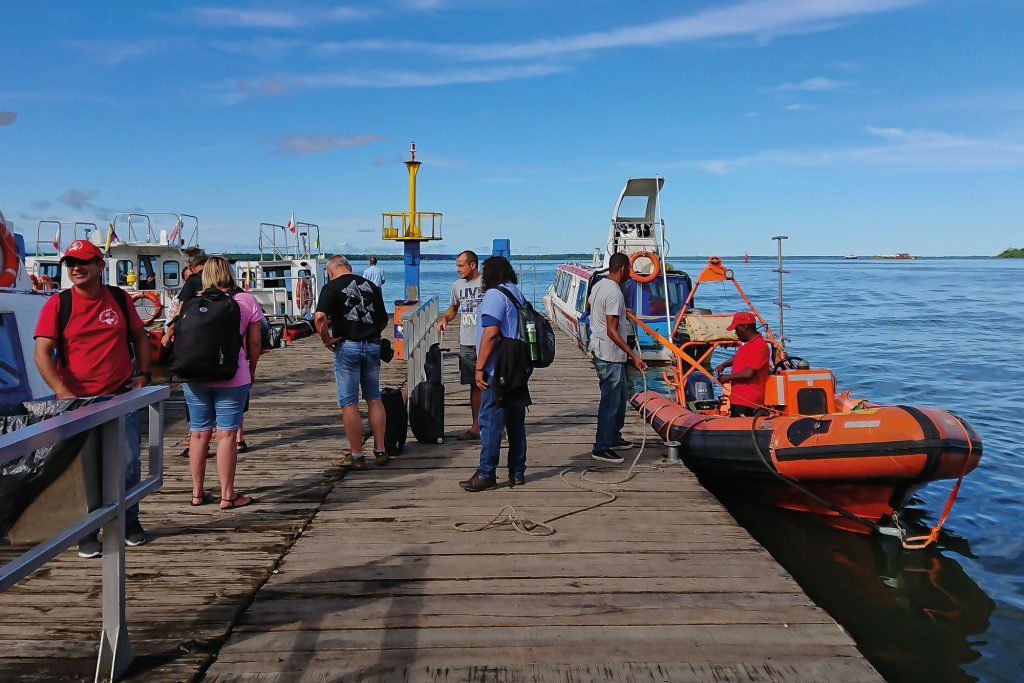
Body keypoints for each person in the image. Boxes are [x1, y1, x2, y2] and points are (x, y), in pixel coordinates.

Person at [33, 239, 151, 556]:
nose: (75, 268)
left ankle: (129, 520)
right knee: (85, 467)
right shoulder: (58, 305)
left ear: (100, 265)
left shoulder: (118, 298)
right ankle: (87, 531)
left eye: (83, 262)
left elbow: (140, 336)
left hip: (119, 395)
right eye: (70, 263)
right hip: (76, 403)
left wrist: (144, 374)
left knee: (127, 462)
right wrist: (63, 391)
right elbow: (42, 353)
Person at [181, 256, 264, 510]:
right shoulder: (246, 301)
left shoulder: (192, 301)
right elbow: (254, 344)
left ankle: (197, 493)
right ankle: (227, 496)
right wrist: (250, 370)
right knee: (227, 434)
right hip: (232, 375)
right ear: (229, 273)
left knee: (198, 433)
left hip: (194, 376)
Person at [459, 256, 529, 492]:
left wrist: (479, 368)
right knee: (515, 421)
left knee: (490, 421)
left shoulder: (493, 295)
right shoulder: (516, 293)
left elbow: (490, 333)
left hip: (498, 366)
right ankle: (517, 471)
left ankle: (486, 473)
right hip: (519, 363)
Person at [314, 255, 390, 470]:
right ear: (349, 267)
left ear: (330, 271)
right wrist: (371, 332)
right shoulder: (372, 286)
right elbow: (384, 320)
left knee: (349, 402)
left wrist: (326, 339)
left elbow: (319, 317)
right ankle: (381, 450)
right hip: (373, 345)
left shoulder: (331, 287)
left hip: (348, 347)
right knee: (374, 398)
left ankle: (357, 456)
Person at [588, 252, 647, 464]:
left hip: (607, 352)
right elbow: (612, 331)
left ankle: (613, 437)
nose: (630, 274)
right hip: (609, 355)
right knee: (610, 402)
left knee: (620, 398)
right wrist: (634, 356)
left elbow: (589, 308)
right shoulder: (614, 292)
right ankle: (601, 447)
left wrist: (621, 312)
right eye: (629, 270)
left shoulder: (598, 286)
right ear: (622, 269)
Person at [436, 250, 484, 440]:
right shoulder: (457, 286)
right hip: (467, 342)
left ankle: (496, 425)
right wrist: (444, 319)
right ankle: (476, 427)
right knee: (474, 385)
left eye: (461, 265)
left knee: (492, 384)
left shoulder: (487, 283)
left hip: (486, 341)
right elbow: (454, 308)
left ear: (473, 265)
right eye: (457, 265)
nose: (457, 270)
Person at [715, 311, 771, 417]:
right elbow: (739, 358)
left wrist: (726, 377)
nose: (735, 333)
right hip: (738, 397)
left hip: (748, 400)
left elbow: (749, 373)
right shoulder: (748, 344)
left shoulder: (759, 346)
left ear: (745, 327)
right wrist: (724, 364)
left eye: (736, 329)